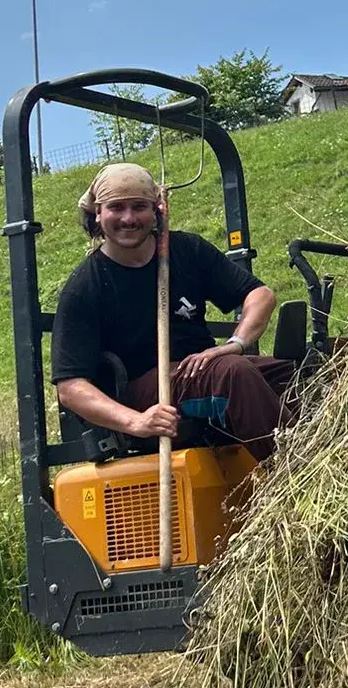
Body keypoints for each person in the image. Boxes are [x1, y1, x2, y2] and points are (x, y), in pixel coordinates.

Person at [50, 162, 296, 463]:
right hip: (144, 394)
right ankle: (297, 479)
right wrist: (136, 422)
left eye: (139, 206)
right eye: (116, 207)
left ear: (156, 209)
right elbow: (71, 388)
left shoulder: (185, 251)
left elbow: (261, 295)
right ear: (98, 215)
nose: (128, 218)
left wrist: (235, 344)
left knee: (306, 371)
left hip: (202, 373)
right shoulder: (85, 286)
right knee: (234, 374)